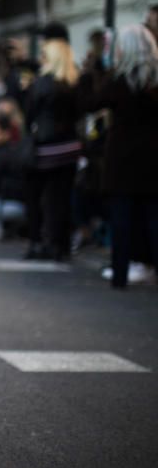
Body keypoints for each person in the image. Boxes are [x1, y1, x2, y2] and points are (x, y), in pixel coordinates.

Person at [78, 24, 158, 288]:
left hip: (122, 157)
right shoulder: (153, 81)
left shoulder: (119, 80)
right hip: (152, 156)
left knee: (121, 217)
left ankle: (120, 271)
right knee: (152, 216)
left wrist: (89, 74)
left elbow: (90, 103)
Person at [22, 22, 81, 261]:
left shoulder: (41, 83)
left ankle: (38, 242)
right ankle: (60, 245)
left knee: (36, 197)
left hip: (45, 148)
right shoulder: (74, 80)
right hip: (70, 146)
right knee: (62, 198)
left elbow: (29, 116)